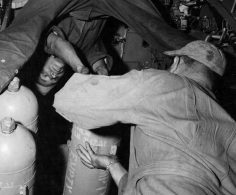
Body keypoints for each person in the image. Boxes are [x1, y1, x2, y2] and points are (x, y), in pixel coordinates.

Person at [53, 40, 236, 195]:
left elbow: (69, 100)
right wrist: (112, 164)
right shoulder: (230, 125)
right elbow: (172, 177)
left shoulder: (166, 83)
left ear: (177, 62)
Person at [0, 0, 196, 102]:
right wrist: (101, 78)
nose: (52, 75)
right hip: (104, 4)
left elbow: (60, 46)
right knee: (151, 23)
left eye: (44, 75)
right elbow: (98, 58)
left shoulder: (44, 43)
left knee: (25, 27)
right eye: (53, 81)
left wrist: (79, 69)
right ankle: (196, 59)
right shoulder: (84, 50)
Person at [35, 13, 111, 95]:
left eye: (45, 75)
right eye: (55, 79)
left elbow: (56, 43)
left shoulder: (44, 40)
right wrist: (101, 71)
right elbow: (94, 55)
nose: (53, 76)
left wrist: (79, 67)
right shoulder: (79, 54)